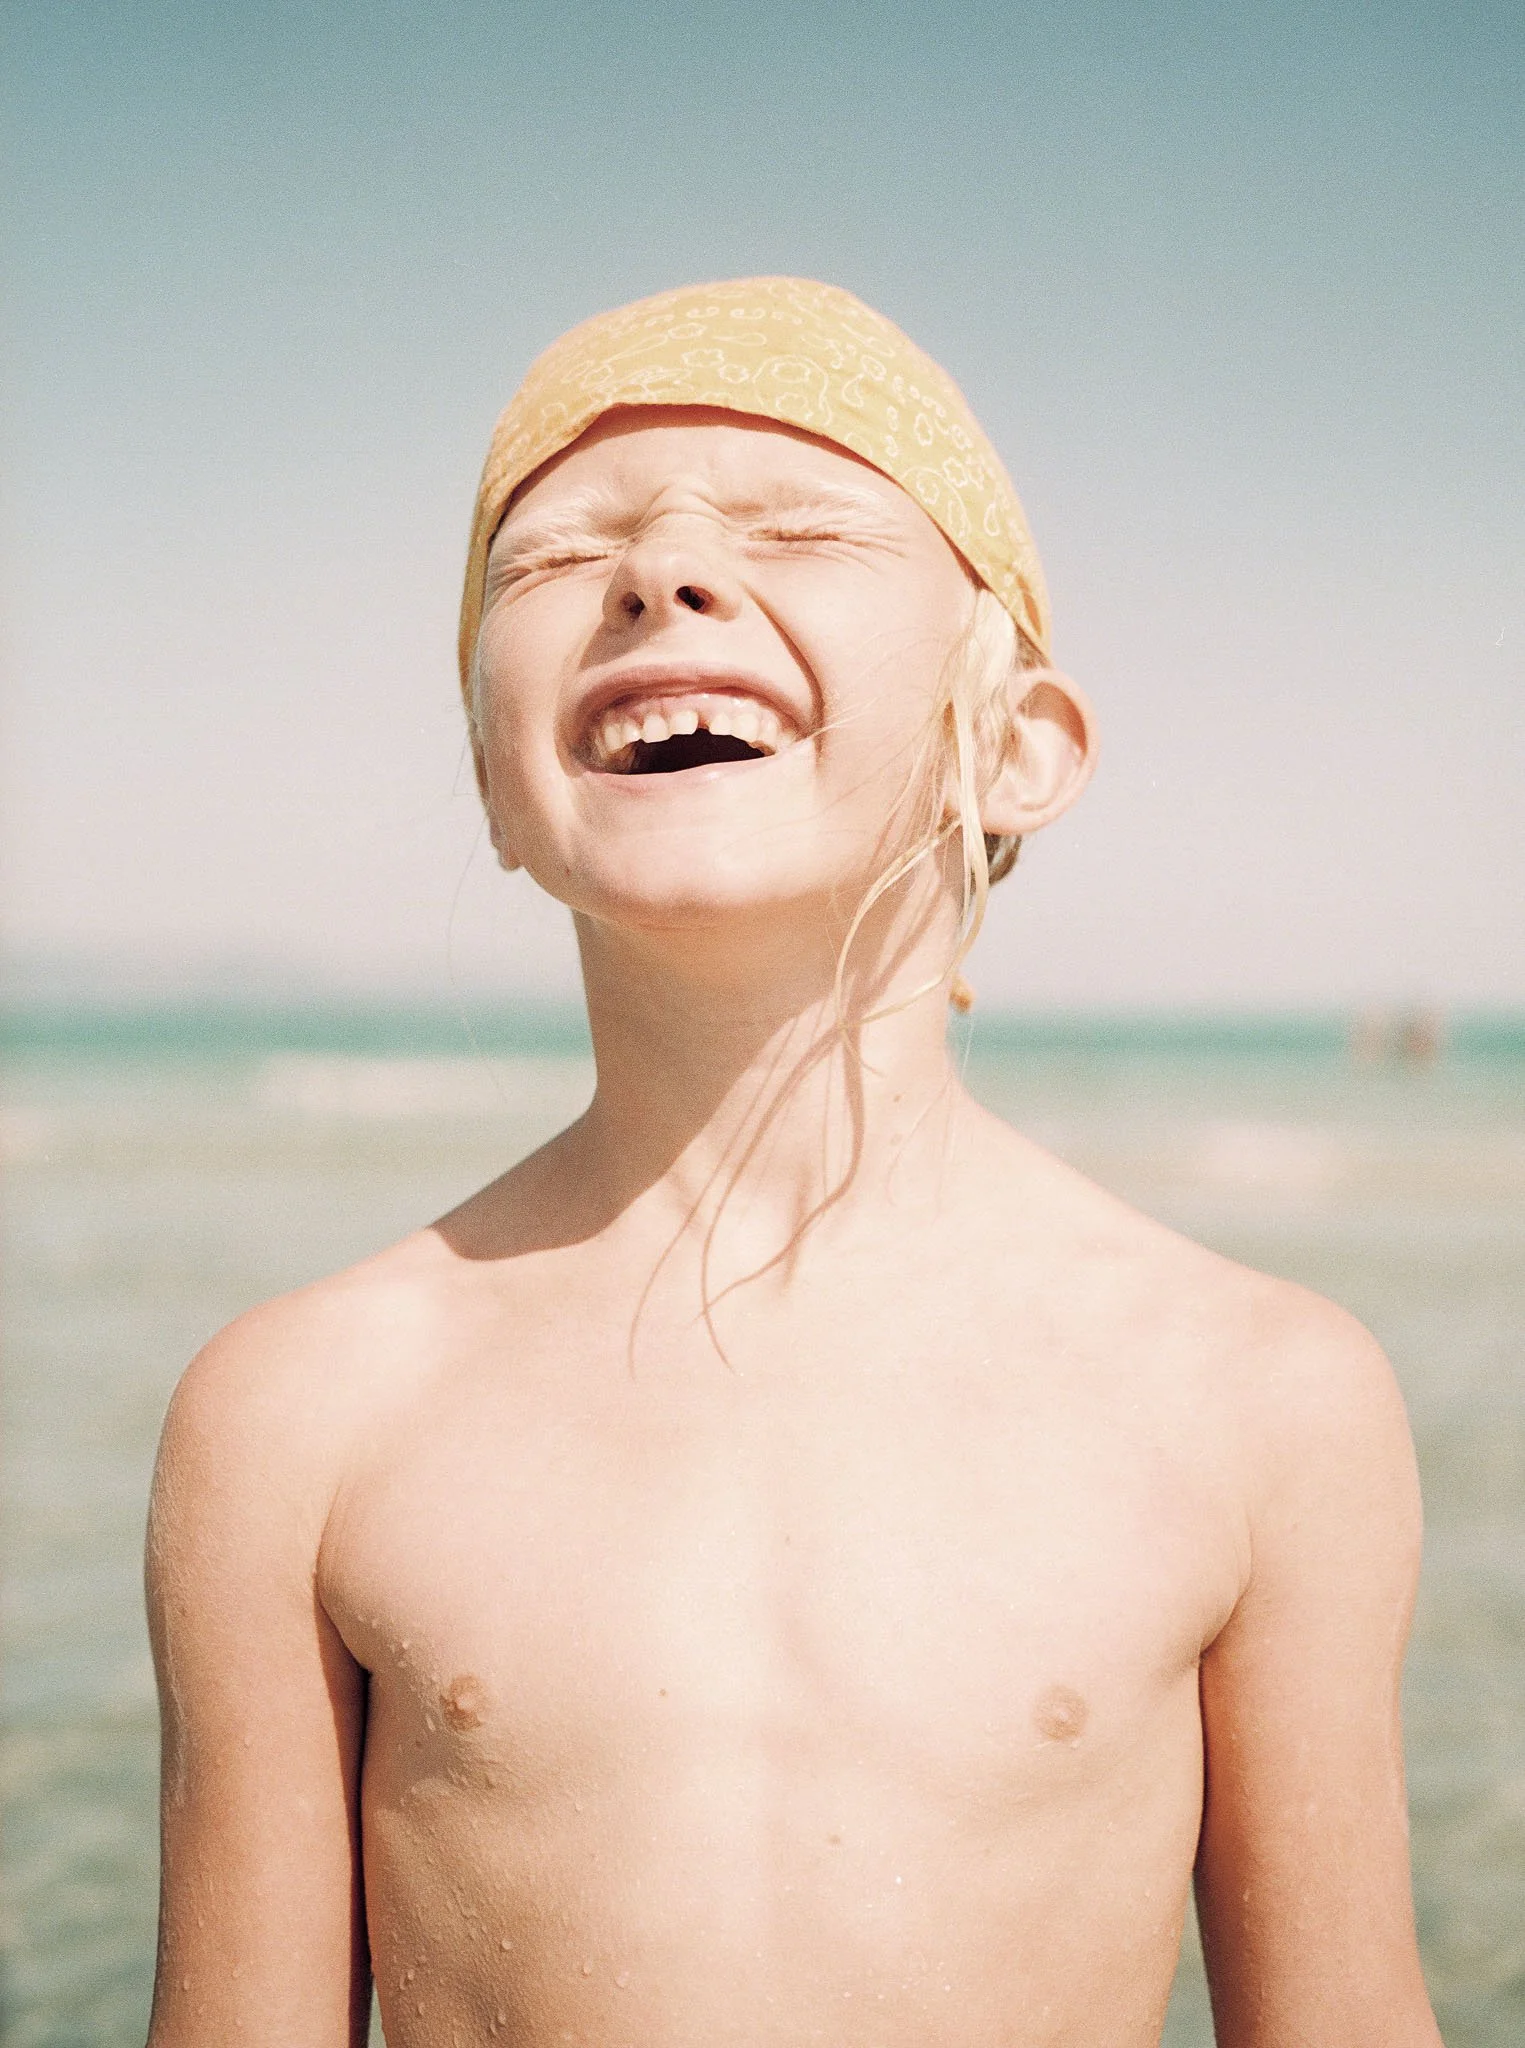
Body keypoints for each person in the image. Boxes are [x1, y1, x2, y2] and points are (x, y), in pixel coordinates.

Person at [144, 277, 1442, 2047]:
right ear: (494, 784)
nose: (660, 573)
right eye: (552, 559)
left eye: (799, 525)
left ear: (1016, 746)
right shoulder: (297, 1411)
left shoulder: (1258, 1397)